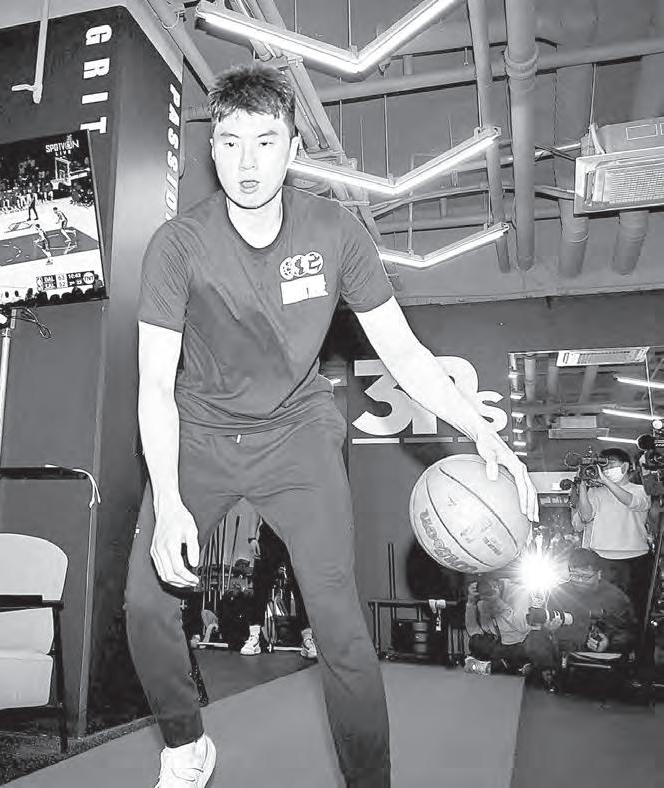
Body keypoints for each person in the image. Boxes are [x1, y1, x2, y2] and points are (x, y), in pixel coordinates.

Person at [126, 63, 538, 788]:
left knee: (340, 626)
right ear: (211, 149)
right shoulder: (177, 245)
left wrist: (477, 428)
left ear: (292, 148)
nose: (247, 162)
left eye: (265, 141)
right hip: (201, 434)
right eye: (231, 142)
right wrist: (167, 503)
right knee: (144, 603)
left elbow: (403, 351)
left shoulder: (334, 230)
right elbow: (154, 384)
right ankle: (185, 744)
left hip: (298, 434)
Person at [524, 548, 638, 671]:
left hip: (598, 658)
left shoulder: (615, 597)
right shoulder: (558, 592)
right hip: (561, 654)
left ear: (599, 574)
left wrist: (608, 642)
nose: (579, 581)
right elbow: (546, 623)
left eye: (585, 576)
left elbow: (629, 634)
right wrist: (549, 630)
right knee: (534, 639)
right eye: (574, 575)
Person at [572, 448, 652, 622]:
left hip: (635, 559)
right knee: (605, 611)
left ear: (625, 466)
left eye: (610, 464)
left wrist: (606, 481)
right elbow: (586, 516)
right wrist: (583, 487)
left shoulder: (640, 490)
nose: (606, 469)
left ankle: (638, 637)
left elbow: (631, 502)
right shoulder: (597, 491)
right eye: (603, 465)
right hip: (603, 558)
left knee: (636, 609)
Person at [241, 520, 317, 659]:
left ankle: (307, 639)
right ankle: (255, 635)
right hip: (270, 534)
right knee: (260, 584)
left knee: (300, 585)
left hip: (294, 534)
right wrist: (252, 538)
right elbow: (257, 508)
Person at [464, 576, 531, 675]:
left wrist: (498, 602)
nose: (484, 590)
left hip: (519, 643)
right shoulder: (482, 599)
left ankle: (496, 666)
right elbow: (473, 631)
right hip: (498, 645)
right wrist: (471, 603)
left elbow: (523, 628)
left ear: (496, 583)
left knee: (520, 652)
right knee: (476, 641)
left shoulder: (520, 593)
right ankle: (507, 666)